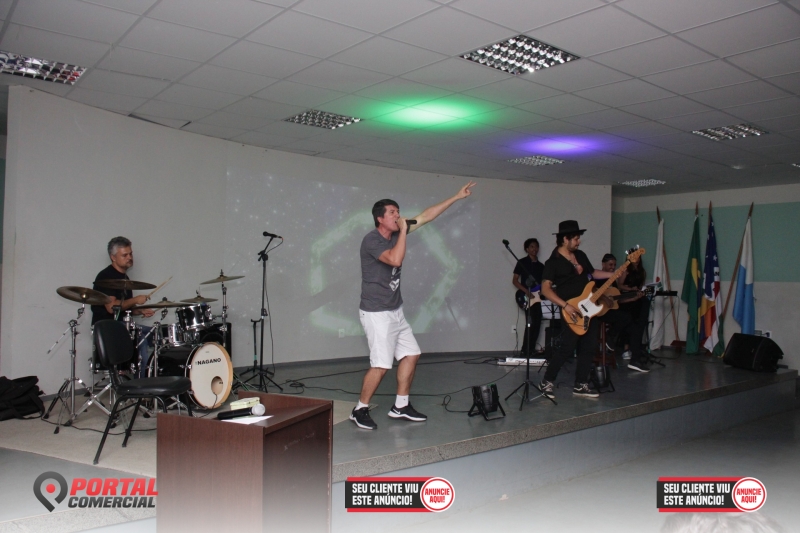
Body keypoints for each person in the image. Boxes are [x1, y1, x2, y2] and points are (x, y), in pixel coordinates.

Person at [350, 181, 477, 430]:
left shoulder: (396, 233)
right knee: (381, 365)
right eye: (392, 213)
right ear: (380, 218)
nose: (398, 216)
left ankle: (401, 406)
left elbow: (426, 216)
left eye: (398, 211)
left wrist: (456, 197)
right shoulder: (372, 241)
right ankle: (360, 409)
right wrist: (404, 231)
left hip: (395, 310)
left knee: (411, 354)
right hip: (377, 313)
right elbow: (395, 259)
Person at [538, 220, 613, 398]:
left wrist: (613, 274)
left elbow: (592, 273)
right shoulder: (553, 262)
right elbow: (545, 289)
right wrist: (566, 305)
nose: (579, 242)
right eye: (576, 238)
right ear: (565, 239)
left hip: (589, 307)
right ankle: (546, 381)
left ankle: (581, 384)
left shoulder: (580, 255)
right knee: (567, 347)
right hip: (571, 310)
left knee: (589, 346)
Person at [91, 237, 154, 377]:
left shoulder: (125, 278)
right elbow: (112, 307)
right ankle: (140, 385)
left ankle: (155, 375)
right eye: (124, 255)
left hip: (122, 325)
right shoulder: (106, 277)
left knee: (156, 334)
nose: (129, 258)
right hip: (108, 327)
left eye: (130, 254)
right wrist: (136, 300)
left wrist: (139, 311)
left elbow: (124, 308)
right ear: (113, 257)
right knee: (141, 339)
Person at [599, 253, 650, 372]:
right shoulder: (598, 277)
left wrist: (633, 299)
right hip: (601, 312)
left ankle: (635, 360)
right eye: (610, 265)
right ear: (603, 264)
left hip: (614, 310)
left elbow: (617, 300)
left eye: (614, 265)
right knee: (627, 317)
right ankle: (611, 336)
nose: (613, 267)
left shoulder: (612, 280)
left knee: (635, 327)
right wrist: (604, 298)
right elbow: (592, 291)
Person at [512, 238, 544, 357]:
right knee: (530, 323)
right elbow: (515, 281)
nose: (534, 249)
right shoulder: (522, 262)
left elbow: (543, 284)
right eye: (531, 246)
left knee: (537, 323)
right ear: (527, 249)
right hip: (526, 296)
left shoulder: (541, 266)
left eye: (536, 246)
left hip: (538, 298)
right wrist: (526, 291)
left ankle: (531, 350)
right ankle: (524, 350)